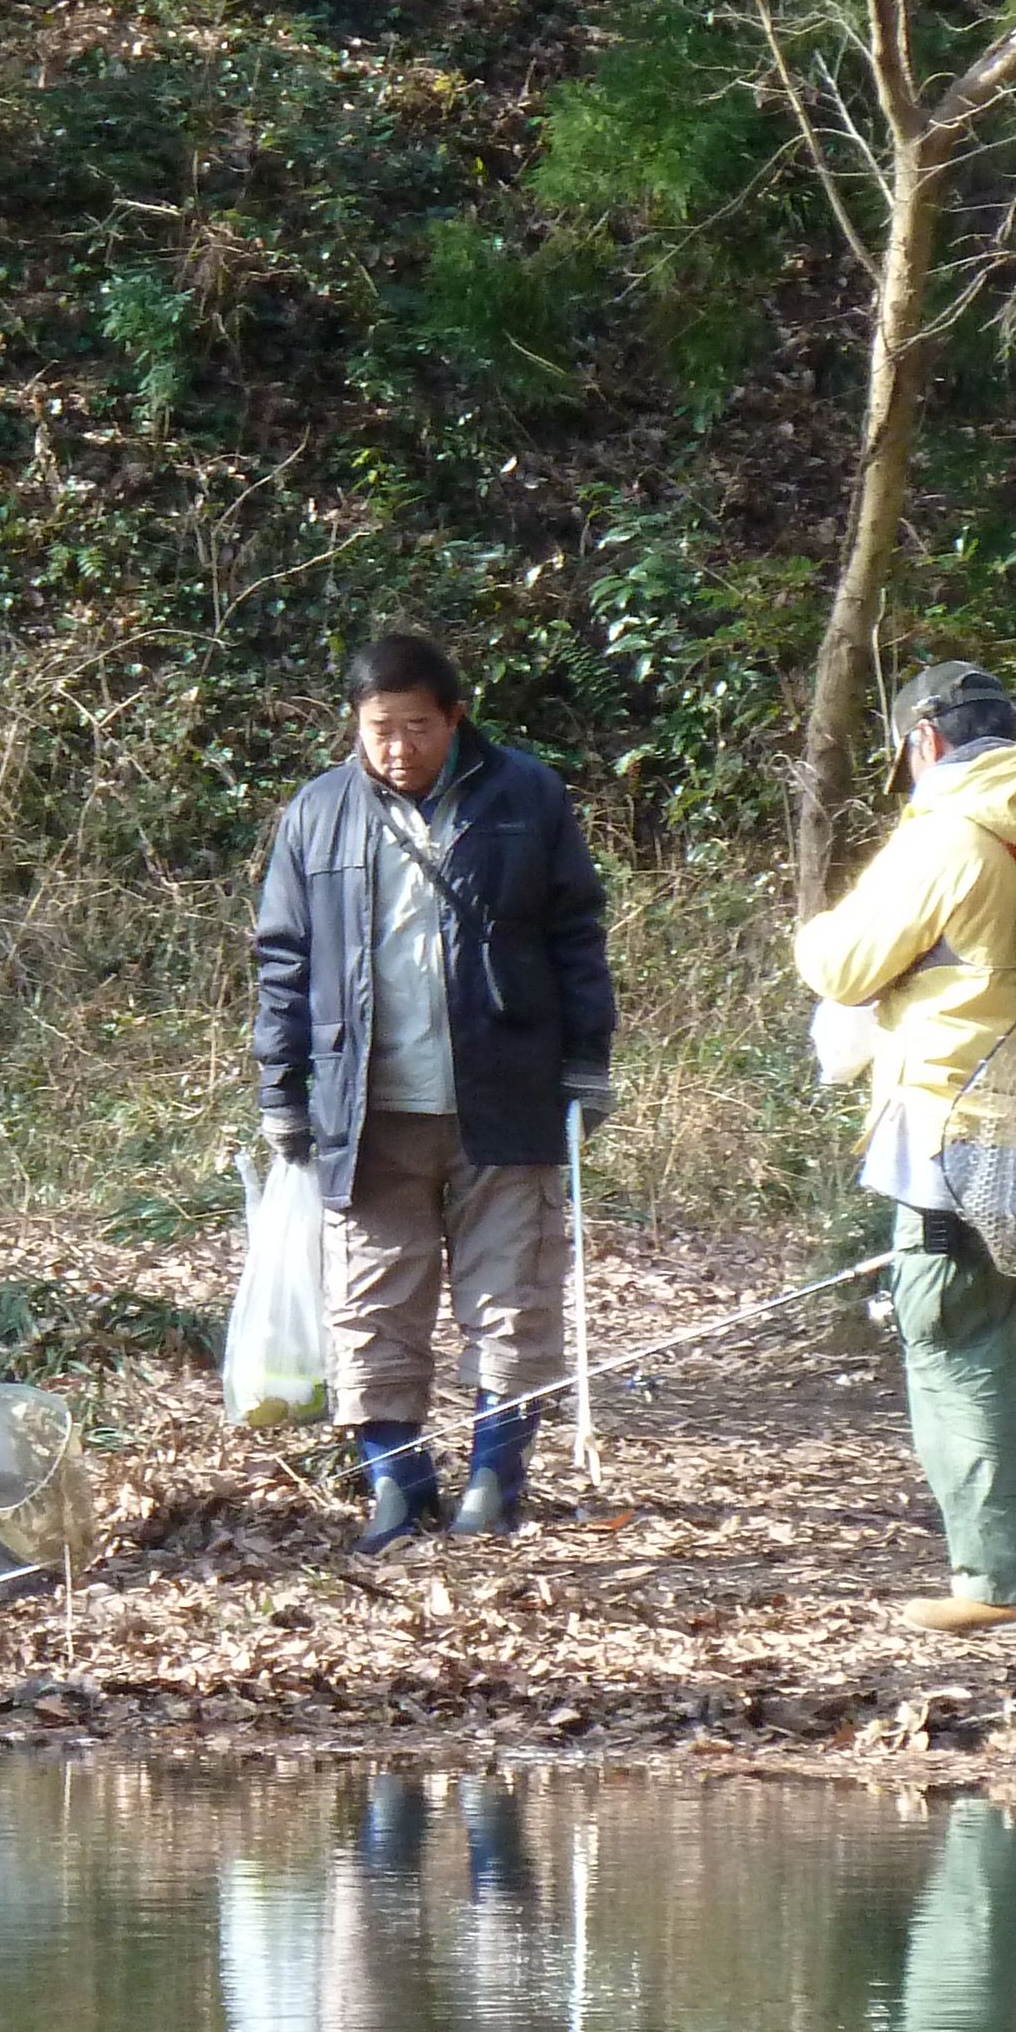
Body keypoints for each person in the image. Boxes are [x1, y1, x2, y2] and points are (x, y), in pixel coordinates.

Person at [251, 632, 616, 1549]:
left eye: (418, 726)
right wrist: (280, 1090)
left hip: (508, 1093)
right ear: (357, 725)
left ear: (456, 718)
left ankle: (496, 1482)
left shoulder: (526, 794)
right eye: (381, 728)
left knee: (514, 1296)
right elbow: (283, 961)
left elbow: (577, 933)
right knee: (374, 1304)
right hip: (366, 1109)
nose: (399, 748)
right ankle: (397, 1486)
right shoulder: (318, 813)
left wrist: (587, 1064)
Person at [794, 660, 1016, 1633]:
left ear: (923, 744)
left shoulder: (946, 835)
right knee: (1005, 1343)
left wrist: (813, 926)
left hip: (953, 1124)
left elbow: (843, 963)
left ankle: (998, 1584)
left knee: (949, 1342)